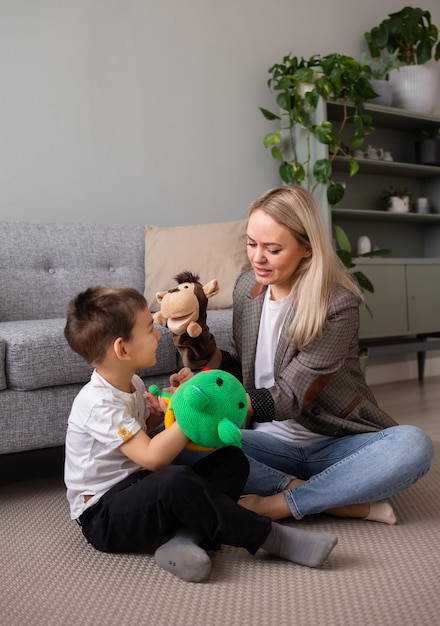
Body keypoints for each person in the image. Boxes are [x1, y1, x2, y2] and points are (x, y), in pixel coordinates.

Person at [63, 285, 338, 584]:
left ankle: (184, 539)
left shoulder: (133, 383)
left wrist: (164, 409)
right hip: (104, 515)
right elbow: (152, 457)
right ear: (122, 349)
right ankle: (271, 538)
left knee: (231, 460)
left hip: (135, 485)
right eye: (149, 329)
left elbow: (143, 436)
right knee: (173, 479)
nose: (159, 334)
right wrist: (188, 415)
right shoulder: (98, 403)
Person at [208, 185, 435, 524]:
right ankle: (339, 501)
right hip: (267, 445)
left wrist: (217, 400)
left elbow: (290, 396)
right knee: (179, 441)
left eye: (272, 249)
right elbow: (241, 367)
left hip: (335, 444)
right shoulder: (248, 288)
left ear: (307, 249)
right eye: (251, 244)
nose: (257, 258)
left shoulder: (336, 303)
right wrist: (203, 363)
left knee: (414, 445)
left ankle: (283, 502)